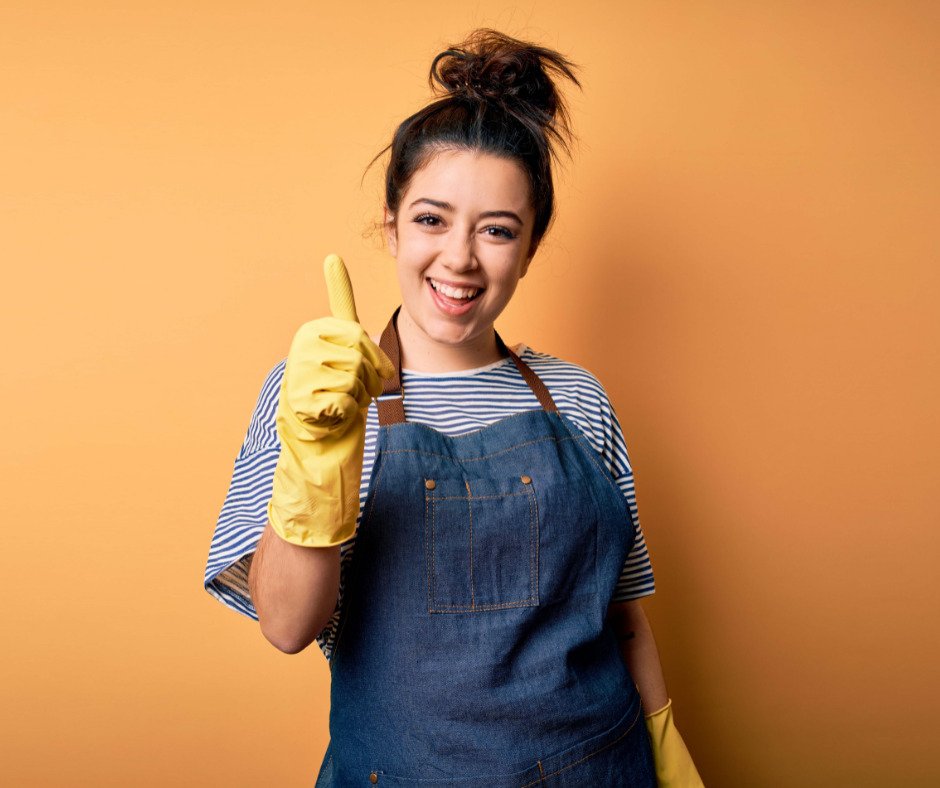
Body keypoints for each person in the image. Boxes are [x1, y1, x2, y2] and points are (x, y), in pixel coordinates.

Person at [205, 30, 703, 787]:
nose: (461, 258)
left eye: (497, 230)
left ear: (531, 246)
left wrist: (668, 750)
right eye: (433, 219)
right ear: (391, 221)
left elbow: (624, 613)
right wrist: (318, 455)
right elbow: (285, 627)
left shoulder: (578, 397)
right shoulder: (315, 395)